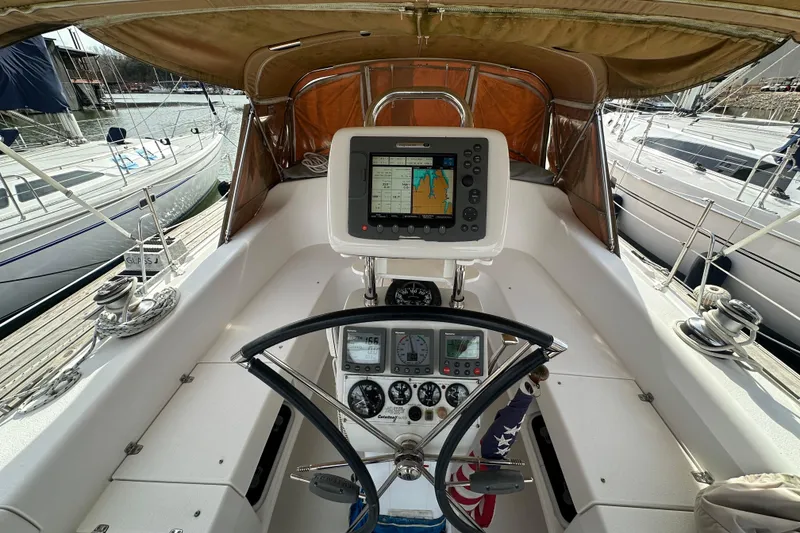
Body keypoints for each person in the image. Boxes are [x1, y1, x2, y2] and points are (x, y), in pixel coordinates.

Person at [449, 366, 550, 527]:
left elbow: (486, 513)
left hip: (460, 487)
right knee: (495, 447)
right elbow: (485, 516)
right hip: (470, 483)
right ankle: (526, 389)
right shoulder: (473, 518)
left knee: (495, 447)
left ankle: (524, 391)